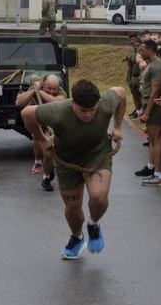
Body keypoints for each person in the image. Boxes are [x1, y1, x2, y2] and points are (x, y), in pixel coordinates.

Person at [22, 80, 124, 259]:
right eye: (83, 110)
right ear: (72, 102)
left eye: (92, 110)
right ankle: (77, 238)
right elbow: (26, 114)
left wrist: (117, 126)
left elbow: (121, 92)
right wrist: (42, 138)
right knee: (72, 207)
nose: (88, 115)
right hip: (66, 159)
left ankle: (94, 225)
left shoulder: (105, 102)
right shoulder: (58, 111)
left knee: (98, 196)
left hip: (97, 155)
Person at [15, 74, 66, 181]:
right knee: (38, 146)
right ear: (43, 84)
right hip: (38, 122)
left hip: (53, 123)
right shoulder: (36, 88)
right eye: (49, 88)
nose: (52, 91)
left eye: (54, 89)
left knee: (48, 151)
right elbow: (19, 102)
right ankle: (38, 162)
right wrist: (34, 91)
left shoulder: (61, 91)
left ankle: (47, 174)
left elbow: (56, 101)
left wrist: (40, 92)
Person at [134, 40, 161, 185]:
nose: (140, 53)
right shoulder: (152, 65)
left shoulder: (157, 66)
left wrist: (147, 112)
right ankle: (154, 169)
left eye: (143, 50)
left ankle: (159, 175)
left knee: (156, 139)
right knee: (152, 139)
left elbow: (155, 91)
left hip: (156, 105)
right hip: (150, 103)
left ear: (151, 50)